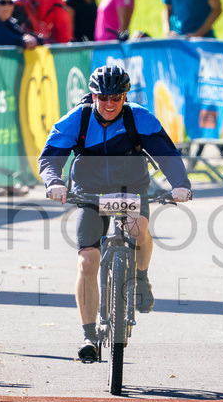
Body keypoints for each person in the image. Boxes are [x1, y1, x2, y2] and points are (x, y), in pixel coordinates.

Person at [39, 65, 192, 362]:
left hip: (130, 188)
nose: (109, 104)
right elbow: (50, 158)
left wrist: (180, 185)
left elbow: (167, 155)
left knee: (138, 229)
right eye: (103, 97)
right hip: (90, 192)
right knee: (87, 262)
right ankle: (89, 336)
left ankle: (141, 277)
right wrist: (54, 182)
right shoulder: (77, 119)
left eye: (116, 97)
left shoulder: (139, 118)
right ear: (93, 96)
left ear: (125, 96)